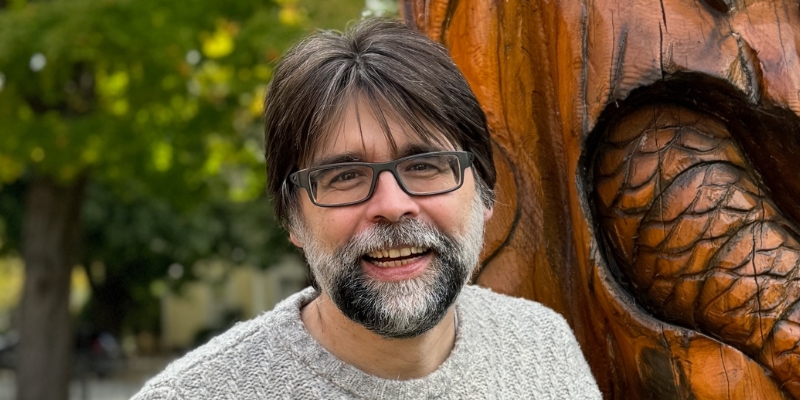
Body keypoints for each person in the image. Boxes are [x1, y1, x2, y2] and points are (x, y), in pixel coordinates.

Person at [132, 18, 600, 399]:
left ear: (485, 191)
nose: (393, 206)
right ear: (291, 217)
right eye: (344, 176)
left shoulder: (543, 346)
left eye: (425, 165)